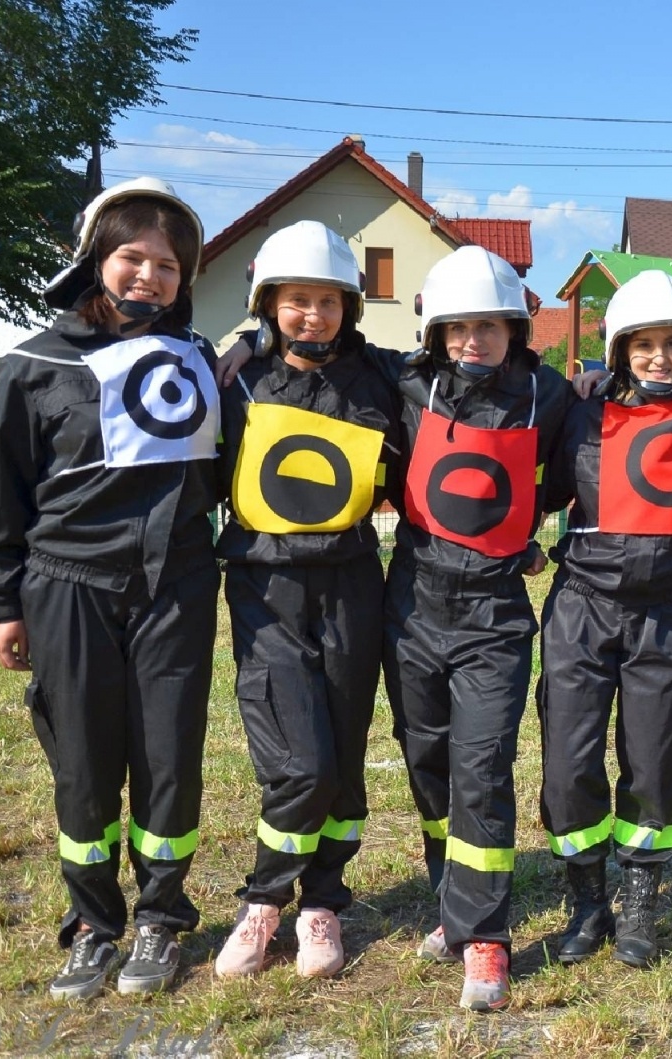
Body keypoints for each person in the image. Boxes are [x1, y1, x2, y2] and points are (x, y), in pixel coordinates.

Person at [0, 178, 220, 999]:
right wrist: (3, 602)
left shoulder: (202, 360)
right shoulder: (35, 363)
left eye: (169, 265)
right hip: (68, 587)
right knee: (83, 763)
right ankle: (93, 924)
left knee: (168, 759)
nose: (150, 275)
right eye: (132, 258)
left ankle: (160, 919)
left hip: (175, 587)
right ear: (94, 260)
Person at [381, 246, 570, 1010]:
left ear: (515, 328)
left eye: (488, 325)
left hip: (495, 616)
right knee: (427, 762)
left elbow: (588, 449)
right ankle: (451, 901)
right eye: (458, 327)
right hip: (413, 606)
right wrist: (252, 348)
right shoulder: (405, 385)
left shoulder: (549, 396)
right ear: (435, 332)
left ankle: (486, 934)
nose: (472, 341)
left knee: (483, 766)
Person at [212, 220, 401, 981]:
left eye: (328, 301)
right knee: (301, 763)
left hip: (353, 583)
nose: (313, 315)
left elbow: (458, 369)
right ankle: (263, 902)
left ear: (349, 306)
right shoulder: (236, 380)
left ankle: (322, 902)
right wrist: (237, 346)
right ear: (268, 303)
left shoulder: (380, 378)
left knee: (344, 763)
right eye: (296, 300)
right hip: (266, 588)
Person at [538, 270, 672, 970]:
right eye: (644, 344)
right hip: (581, 607)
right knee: (568, 765)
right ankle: (587, 900)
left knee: (655, 765)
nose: (659, 357)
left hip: (665, 612)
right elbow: (534, 483)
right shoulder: (581, 413)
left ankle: (639, 900)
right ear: (620, 350)